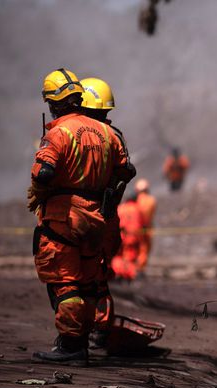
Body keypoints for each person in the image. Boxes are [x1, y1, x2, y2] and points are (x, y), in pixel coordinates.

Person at [28, 68, 130, 365]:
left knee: (64, 281)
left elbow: (43, 172)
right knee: (88, 281)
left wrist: (37, 192)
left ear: (54, 103)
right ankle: (84, 338)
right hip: (97, 216)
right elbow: (125, 170)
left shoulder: (58, 132)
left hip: (64, 217)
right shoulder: (108, 133)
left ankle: (71, 345)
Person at [78, 77, 136, 349]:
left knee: (72, 274)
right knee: (99, 273)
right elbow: (127, 171)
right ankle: (99, 329)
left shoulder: (72, 133)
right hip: (108, 216)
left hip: (80, 215)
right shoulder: (115, 136)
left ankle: (75, 333)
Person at [111, 195, 146, 281]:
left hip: (121, 236)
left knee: (118, 256)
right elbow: (142, 223)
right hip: (133, 237)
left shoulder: (121, 208)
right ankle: (131, 274)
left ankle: (118, 273)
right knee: (130, 257)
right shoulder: (137, 208)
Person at [134, 178, 157, 270]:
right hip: (147, 228)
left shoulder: (136, 200)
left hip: (135, 229)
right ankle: (140, 268)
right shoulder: (151, 200)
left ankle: (134, 268)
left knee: (135, 248)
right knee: (144, 249)